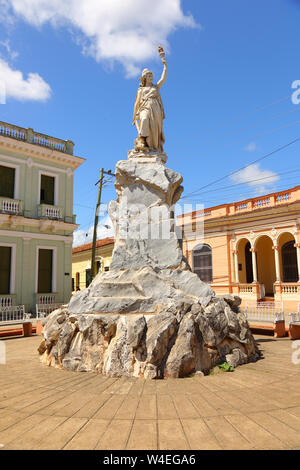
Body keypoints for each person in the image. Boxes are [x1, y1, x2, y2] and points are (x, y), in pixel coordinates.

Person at [133, 45, 167, 152]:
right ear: (144, 78)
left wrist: (164, 64)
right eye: (148, 76)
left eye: (151, 75)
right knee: (144, 119)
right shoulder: (140, 90)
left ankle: (151, 146)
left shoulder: (156, 87)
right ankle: (142, 141)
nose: (150, 77)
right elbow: (137, 103)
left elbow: (163, 78)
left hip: (155, 109)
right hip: (144, 107)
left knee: (154, 129)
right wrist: (134, 116)